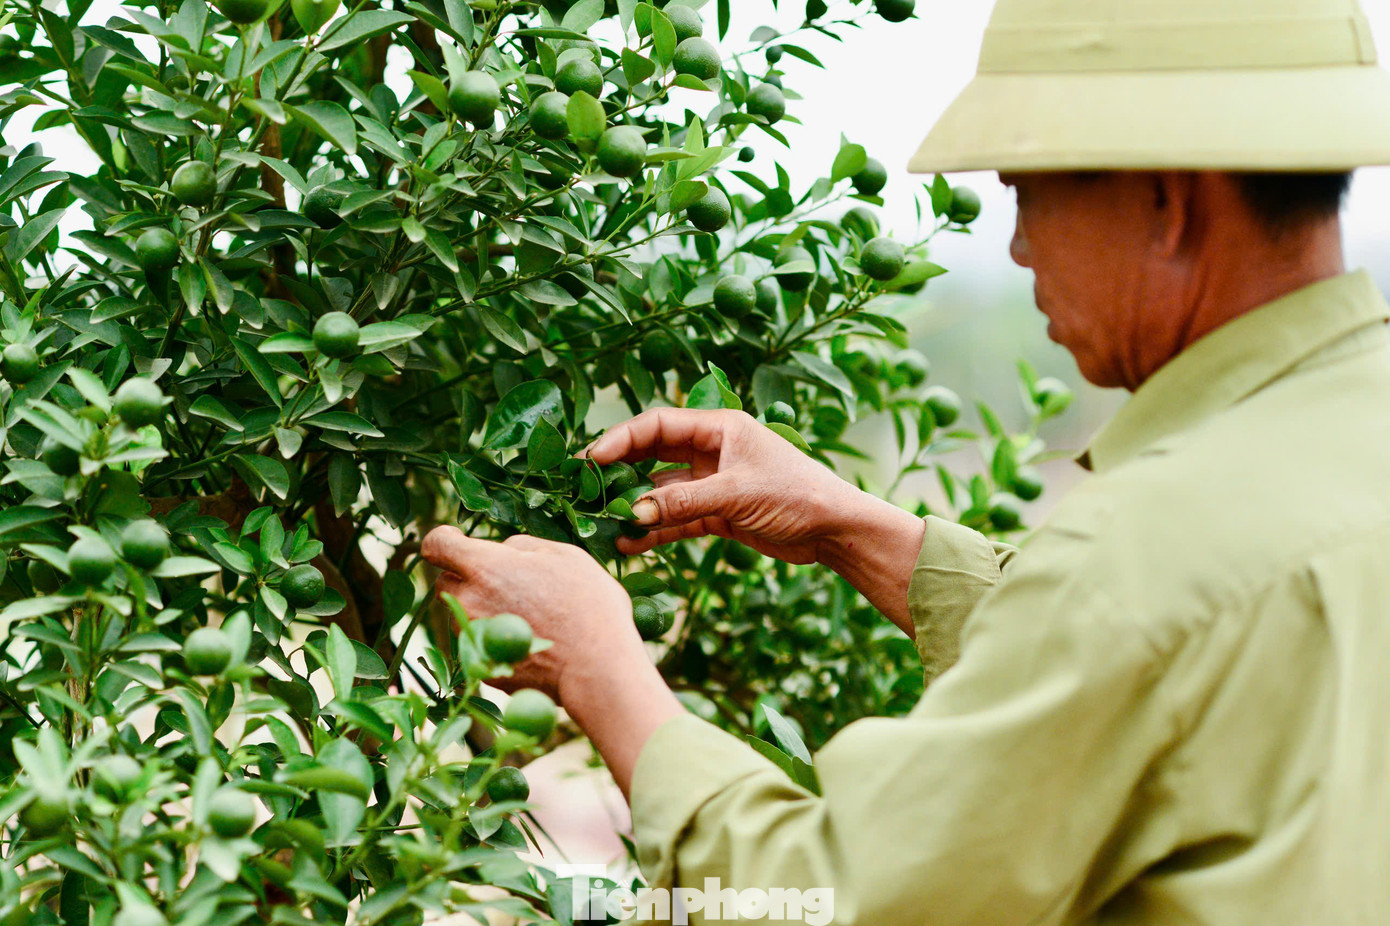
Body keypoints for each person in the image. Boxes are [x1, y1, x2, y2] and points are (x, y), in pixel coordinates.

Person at [422, 0, 1390, 922]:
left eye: (1028, 196)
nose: (1015, 248)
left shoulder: (1151, 549)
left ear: (1164, 199)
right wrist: (846, 522)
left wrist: (597, 661)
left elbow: (822, 897)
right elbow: (1158, 660)